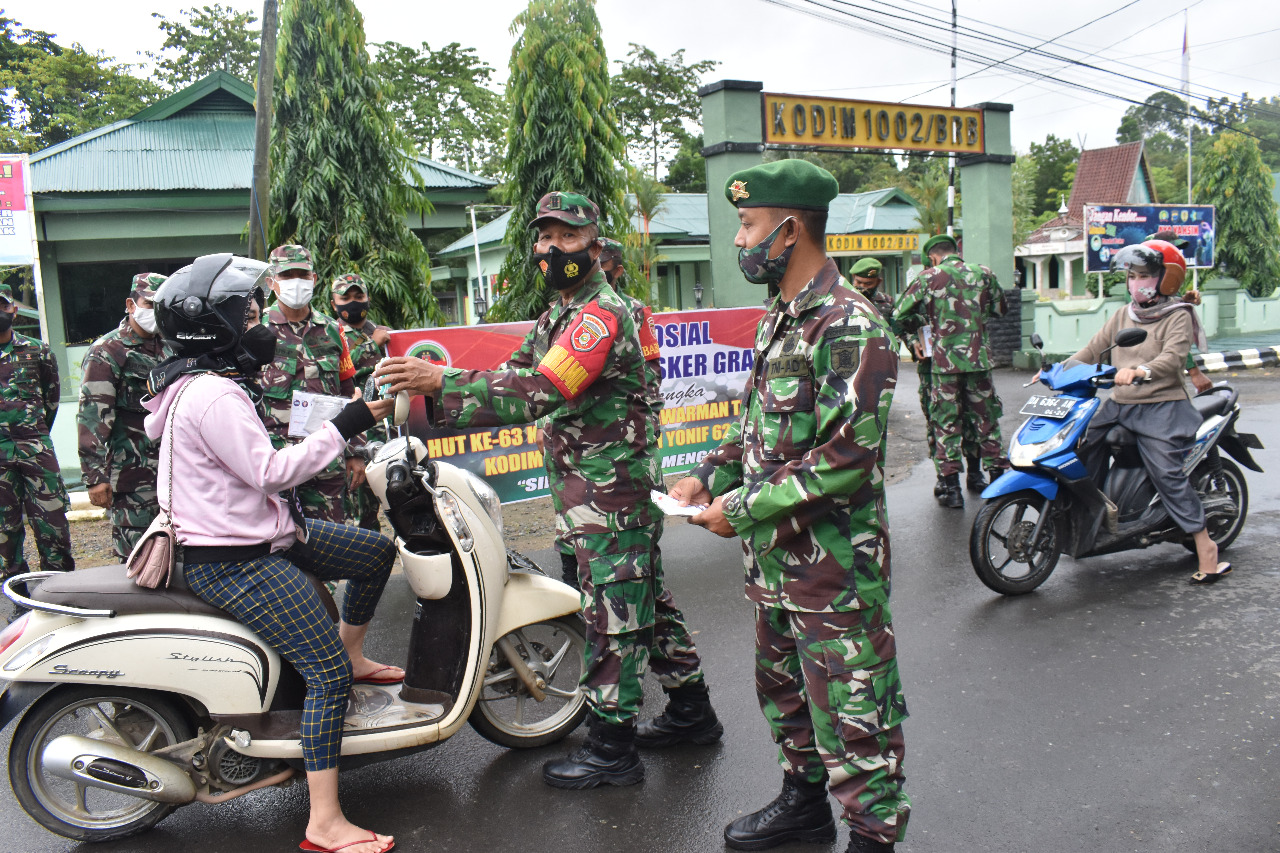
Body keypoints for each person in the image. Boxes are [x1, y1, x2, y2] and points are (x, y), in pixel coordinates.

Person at [374, 190, 720, 790]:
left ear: (593, 244)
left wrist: (440, 380)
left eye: (566, 237)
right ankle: (693, 713)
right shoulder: (559, 314)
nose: (553, 248)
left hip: (609, 493)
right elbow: (510, 374)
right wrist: (423, 395)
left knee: (613, 613)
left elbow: (536, 391)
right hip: (584, 489)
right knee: (644, 603)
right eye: (544, 238)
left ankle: (612, 748)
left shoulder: (598, 316)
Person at [671, 159, 909, 853]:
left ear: (789, 227)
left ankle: (873, 835)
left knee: (853, 702)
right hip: (776, 562)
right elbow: (759, 427)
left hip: (834, 565)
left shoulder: (850, 324)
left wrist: (739, 509)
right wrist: (705, 474)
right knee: (784, 689)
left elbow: (845, 454)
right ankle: (804, 803)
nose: (741, 240)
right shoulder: (782, 316)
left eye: (747, 225)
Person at [147, 253, 404, 853]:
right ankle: (324, 823)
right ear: (214, 326)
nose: (256, 317)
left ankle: (355, 650)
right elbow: (270, 471)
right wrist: (346, 423)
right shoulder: (213, 396)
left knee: (373, 553)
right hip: (240, 558)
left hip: (267, 532)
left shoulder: (198, 385)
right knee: (326, 677)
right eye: (245, 310)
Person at [1069, 240, 1229, 585]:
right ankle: (1091, 521)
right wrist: (1057, 369)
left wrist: (1141, 371)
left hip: (1162, 407)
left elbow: (1172, 359)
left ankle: (1206, 549)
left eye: (1145, 275)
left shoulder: (1178, 316)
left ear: (1165, 280)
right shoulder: (1122, 314)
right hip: (1119, 405)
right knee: (1078, 450)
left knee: (1167, 475)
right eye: (1132, 275)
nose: (1136, 282)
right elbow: (1093, 349)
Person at [892, 233, 1007, 508]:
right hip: (978, 362)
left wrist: (924, 326)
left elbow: (899, 315)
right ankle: (999, 483)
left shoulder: (928, 278)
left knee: (946, 424)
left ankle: (952, 490)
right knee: (986, 421)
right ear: (956, 251)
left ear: (932, 256)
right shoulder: (984, 273)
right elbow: (1001, 309)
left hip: (944, 366)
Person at [259, 245, 361, 523]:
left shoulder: (332, 329)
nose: (296, 282)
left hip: (327, 460)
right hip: (276, 462)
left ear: (314, 279)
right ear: (271, 283)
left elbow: (349, 392)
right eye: (287, 275)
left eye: (302, 275)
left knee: (333, 544)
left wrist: (355, 451)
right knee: (278, 544)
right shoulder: (257, 331)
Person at [77, 273, 167, 560]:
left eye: (162, 306)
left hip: (174, 473)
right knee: (135, 556)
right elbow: (93, 415)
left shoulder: (172, 348)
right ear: (131, 304)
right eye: (149, 304)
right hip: (132, 475)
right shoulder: (108, 351)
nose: (155, 312)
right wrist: (94, 476)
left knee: (175, 554)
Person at [0, 282, 74, 581]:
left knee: (52, 524)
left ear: (13, 310)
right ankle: (16, 594)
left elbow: (51, 400)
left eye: (2, 306)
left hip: (36, 450)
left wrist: (32, 432)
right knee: (4, 533)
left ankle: (59, 591)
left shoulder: (37, 351)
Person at [331, 273, 392, 531]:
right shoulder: (331, 333)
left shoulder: (384, 332)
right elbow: (337, 371)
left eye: (358, 297)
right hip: (353, 428)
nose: (353, 303)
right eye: (345, 298)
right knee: (356, 501)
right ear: (334, 303)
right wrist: (371, 346)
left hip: (386, 427)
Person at [850, 257, 893, 322]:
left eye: (868, 284)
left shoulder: (888, 302)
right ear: (853, 277)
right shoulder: (842, 300)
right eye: (859, 282)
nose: (862, 286)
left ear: (878, 282)